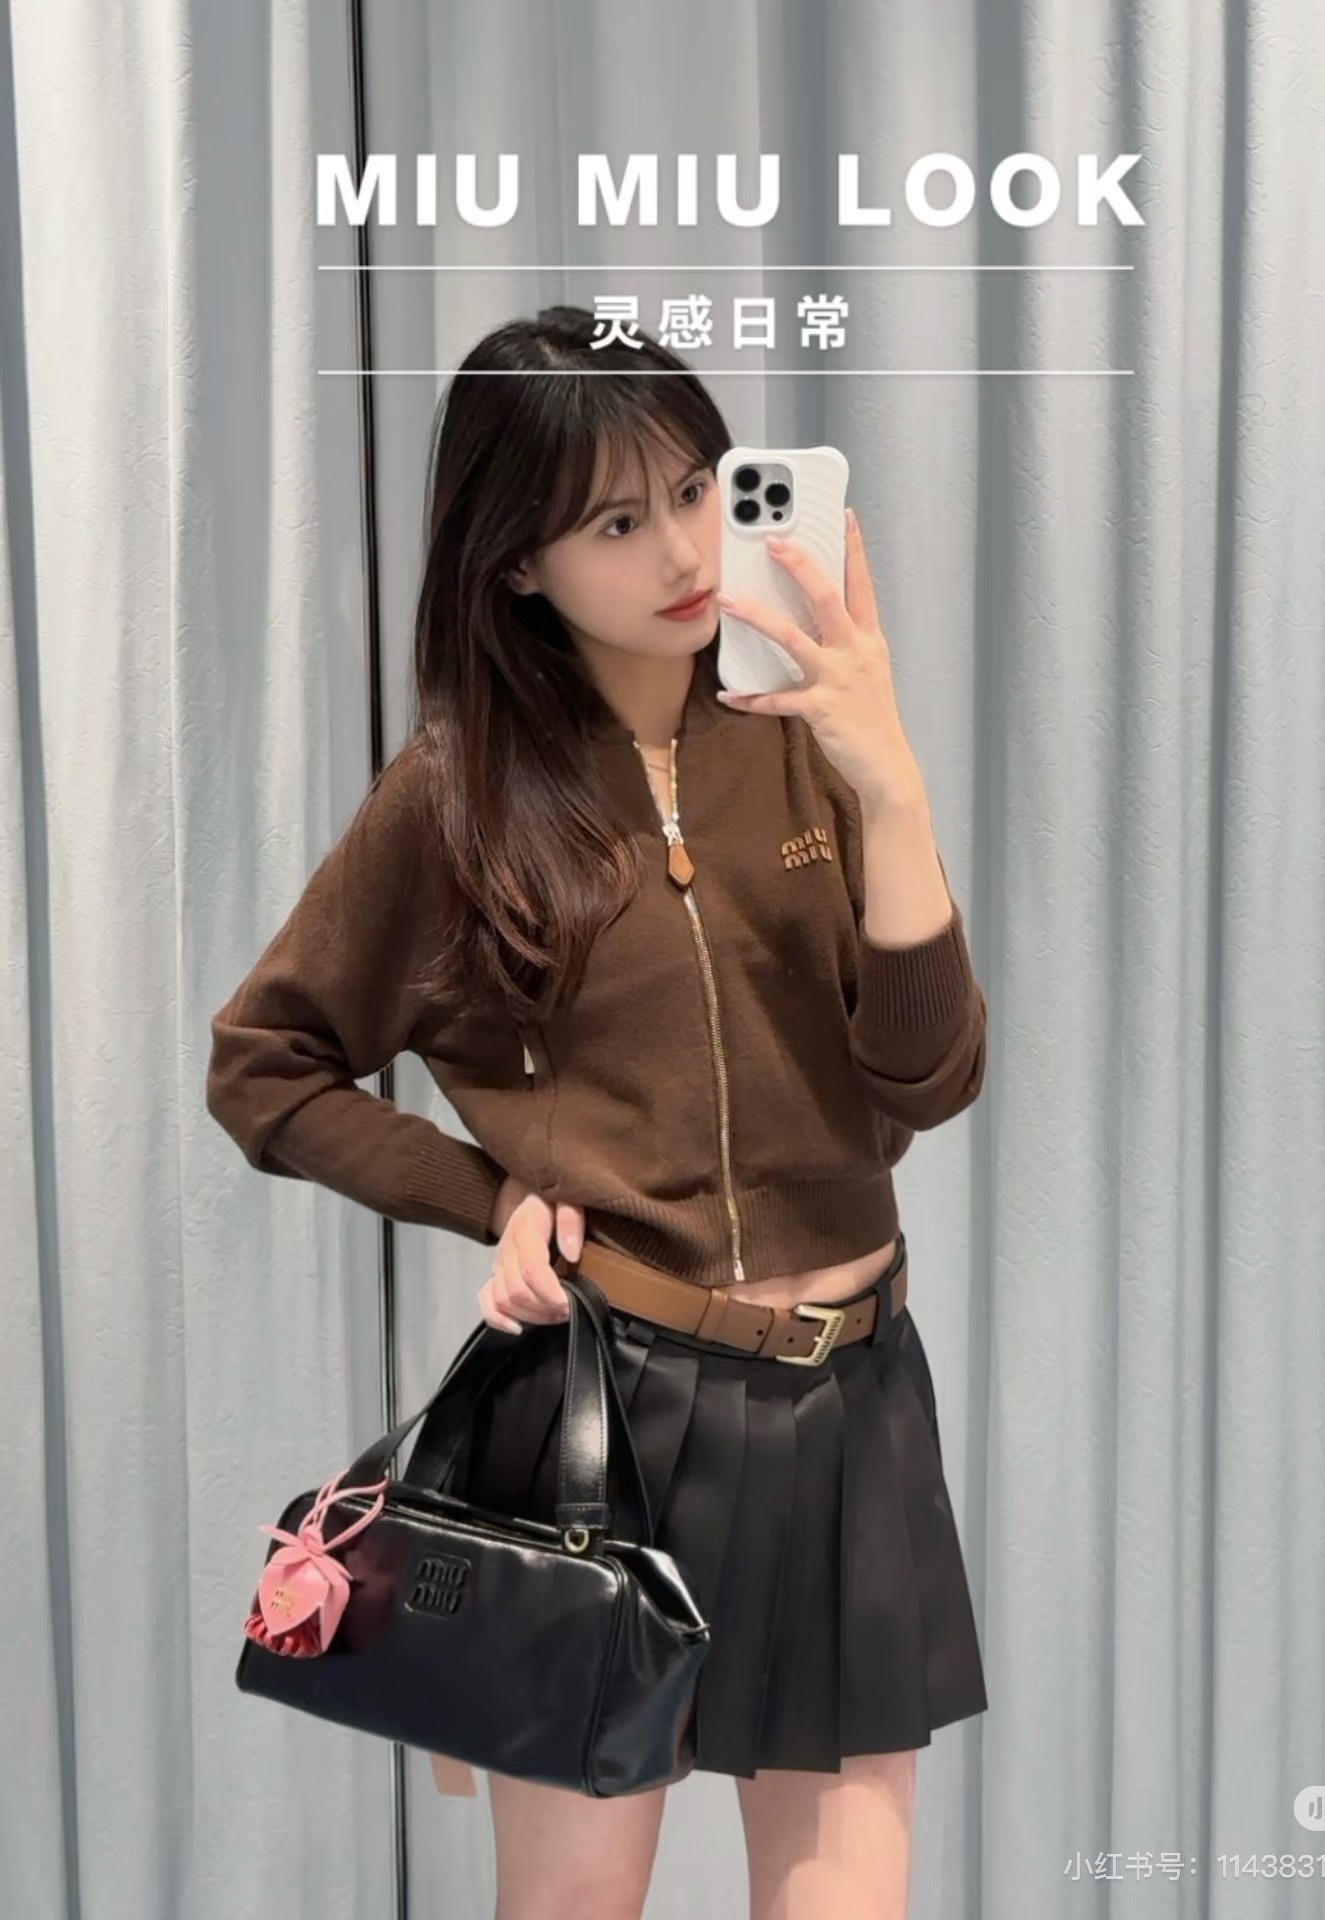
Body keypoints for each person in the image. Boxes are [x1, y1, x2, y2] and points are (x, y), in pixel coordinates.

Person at [206, 305, 988, 1920]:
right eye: (618, 523)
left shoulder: (807, 740)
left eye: (696, 489)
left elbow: (932, 1080)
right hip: (605, 1415)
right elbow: (264, 1061)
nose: (685, 552)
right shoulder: (457, 800)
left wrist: (893, 780)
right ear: (518, 563)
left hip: (849, 1408)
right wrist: (491, 1195)